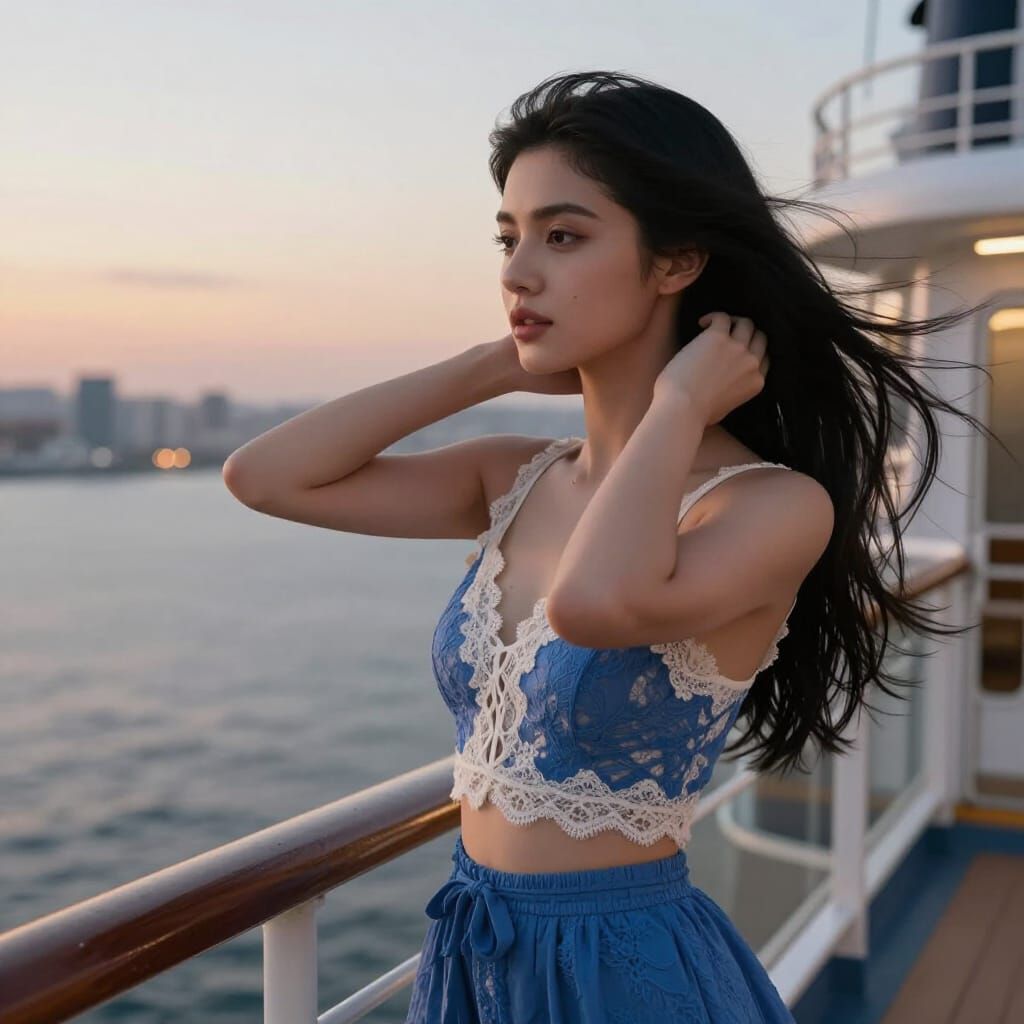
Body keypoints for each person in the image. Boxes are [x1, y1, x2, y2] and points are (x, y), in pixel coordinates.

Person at [224, 70, 997, 1024]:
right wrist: (491, 363)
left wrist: (678, 403)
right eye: (508, 239)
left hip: (623, 973)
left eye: (563, 236)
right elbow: (265, 477)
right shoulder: (516, 476)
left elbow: (596, 605)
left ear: (676, 262)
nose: (517, 271)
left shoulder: (771, 506)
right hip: (473, 950)